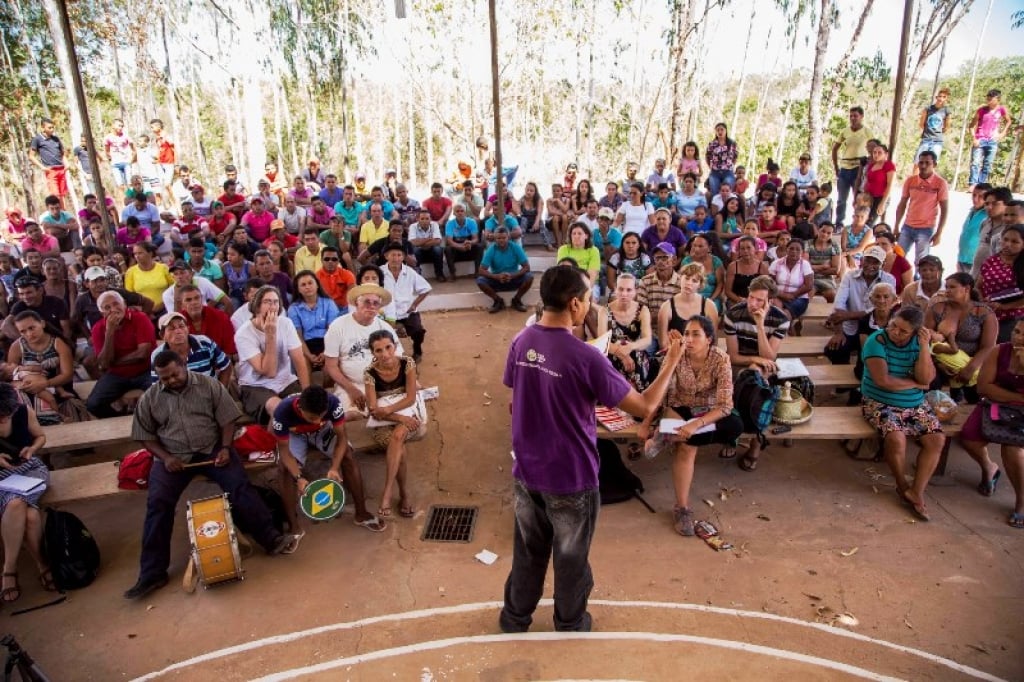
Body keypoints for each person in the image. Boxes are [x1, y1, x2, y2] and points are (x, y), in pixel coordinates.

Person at [499, 266, 684, 634]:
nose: (591, 304)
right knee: (570, 558)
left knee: (528, 552)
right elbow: (645, 407)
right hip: (570, 475)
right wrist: (672, 362)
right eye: (588, 298)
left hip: (527, 471)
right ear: (574, 304)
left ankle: (514, 618)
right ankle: (570, 622)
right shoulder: (585, 357)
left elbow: (515, 394)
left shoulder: (521, 341)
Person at [124, 351, 301, 599]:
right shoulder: (151, 397)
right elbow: (144, 435)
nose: (171, 380)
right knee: (158, 504)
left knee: (239, 488)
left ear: (184, 365)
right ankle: (152, 574)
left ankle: (271, 540)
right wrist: (166, 458)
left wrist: (227, 448)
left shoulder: (208, 385)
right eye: (165, 378)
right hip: (174, 458)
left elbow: (228, 420)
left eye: (175, 374)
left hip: (213, 449)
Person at [641, 314, 744, 534]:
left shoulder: (720, 358)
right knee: (687, 447)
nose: (689, 338)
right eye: (686, 333)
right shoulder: (677, 354)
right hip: (679, 407)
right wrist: (646, 424)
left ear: (709, 339)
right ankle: (682, 508)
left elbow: (725, 405)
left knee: (735, 425)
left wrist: (695, 425)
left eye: (696, 334)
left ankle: (668, 434)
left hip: (707, 411)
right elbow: (659, 391)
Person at [860, 307, 944, 521]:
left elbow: (927, 378)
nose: (895, 332)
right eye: (893, 326)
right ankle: (902, 484)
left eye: (903, 331)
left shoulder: (919, 343)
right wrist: (916, 383)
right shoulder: (876, 341)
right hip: (878, 402)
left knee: (936, 440)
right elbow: (883, 381)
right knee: (896, 439)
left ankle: (916, 491)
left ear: (915, 333)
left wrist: (925, 347)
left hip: (915, 404)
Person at [272, 385, 386, 534]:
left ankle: (361, 513)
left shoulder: (332, 402)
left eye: (321, 415)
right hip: (295, 435)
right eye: (312, 417)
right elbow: (285, 452)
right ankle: (294, 527)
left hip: (323, 430)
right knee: (284, 469)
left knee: (347, 455)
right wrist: (298, 477)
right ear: (300, 408)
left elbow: (342, 438)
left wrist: (334, 467)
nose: (317, 420)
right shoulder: (282, 411)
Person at [959, 318, 1024, 528]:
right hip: (995, 406)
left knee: (1013, 450)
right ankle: (989, 467)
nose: (1017, 337)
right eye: (1016, 331)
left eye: (1023, 334)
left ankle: (1021, 501)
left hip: (1018, 413)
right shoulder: (999, 351)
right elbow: (983, 387)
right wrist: (1017, 398)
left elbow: (993, 387)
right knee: (969, 437)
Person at [722, 275, 790, 472]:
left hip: (764, 367)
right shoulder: (733, 314)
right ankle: (733, 436)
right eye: (751, 297)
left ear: (770, 301)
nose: (753, 303)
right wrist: (755, 362)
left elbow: (769, 357)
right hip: (739, 363)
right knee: (744, 381)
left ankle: (755, 443)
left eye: (759, 300)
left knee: (758, 384)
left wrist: (760, 326)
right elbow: (733, 356)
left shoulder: (780, 319)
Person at [364, 330, 425, 519]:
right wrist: (399, 418)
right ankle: (404, 494)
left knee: (398, 437)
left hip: (409, 414)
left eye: (388, 347)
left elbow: (410, 398)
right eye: (378, 350)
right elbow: (374, 410)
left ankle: (388, 492)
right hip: (385, 422)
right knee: (399, 449)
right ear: (373, 353)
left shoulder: (408, 363)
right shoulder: (370, 373)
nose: (385, 354)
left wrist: (390, 410)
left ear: (395, 346)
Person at [0, 383, 52, 604]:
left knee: (15, 504)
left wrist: (31, 449)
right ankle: (42, 564)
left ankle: (8, 571)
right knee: (28, 514)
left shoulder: (23, 411)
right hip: (1, 475)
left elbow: (40, 437)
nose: (3, 419)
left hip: (30, 469)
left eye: (6, 415)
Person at [324, 283, 400, 417]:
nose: (371, 306)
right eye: (366, 302)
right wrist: (351, 390)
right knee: (349, 416)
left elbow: (399, 359)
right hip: (350, 384)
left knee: (388, 413)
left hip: (382, 384)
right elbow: (331, 366)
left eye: (376, 303)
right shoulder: (338, 327)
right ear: (356, 303)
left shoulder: (385, 328)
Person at [236, 285, 309, 421]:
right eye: (267, 302)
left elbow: (299, 359)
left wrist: (306, 392)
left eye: (275, 302)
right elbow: (269, 372)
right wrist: (270, 335)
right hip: (255, 386)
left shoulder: (286, 324)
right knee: (280, 409)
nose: (272, 306)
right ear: (257, 307)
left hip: (286, 382)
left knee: (307, 408)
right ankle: (277, 442)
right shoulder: (243, 334)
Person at [925, 272, 997, 403]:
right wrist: (939, 364)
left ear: (967, 289)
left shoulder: (984, 312)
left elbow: (988, 347)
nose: (947, 291)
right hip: (940, 361)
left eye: (952, 287)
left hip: (972, 363)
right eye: (946, 287)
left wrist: (969, 369)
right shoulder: (937, 309)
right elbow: (924, 340)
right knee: (930, 381)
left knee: (975, 396)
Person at [88, 291, 156, 418]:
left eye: (116, 304)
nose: (113, 309)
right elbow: (103, 363)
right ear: (102, 313)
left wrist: (114, 362)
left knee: (161, 395)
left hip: (145, 370)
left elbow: (142, 353)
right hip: (116, 375)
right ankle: (120, 419)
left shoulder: (140, 318)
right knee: (93, 404)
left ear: (124, 304)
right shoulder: (98, 328)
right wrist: (109, 332)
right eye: (107, 307)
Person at [825, 246, 895, 366]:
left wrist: (848, 315)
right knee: (835, 349)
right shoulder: (849, 276)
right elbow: (838, 305)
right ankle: (843, 384)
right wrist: (838, 333)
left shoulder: (888, 279)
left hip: (874, 328)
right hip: (849, 327)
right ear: (862, 260)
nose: (870, 265)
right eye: (868, 260)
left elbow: (881, 307)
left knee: (870, 355)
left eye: (876, 262)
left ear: (882, 264)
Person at [597, 273, 656, 390]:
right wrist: (622, 354)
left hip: (634, 351)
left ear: (635, 291)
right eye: (621, 289)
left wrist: (630, 347)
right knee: (607, 362)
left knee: (637, 357)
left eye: (629, 290)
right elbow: (602, 342)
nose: (624, 294)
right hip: (612, 353)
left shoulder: (642, 310)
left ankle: (637, 401)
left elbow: (647, 339)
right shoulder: (604, 311)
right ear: (615, 289)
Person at [892, 151, 948, 266]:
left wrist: (939, 233)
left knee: (921, 262)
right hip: (907, 226)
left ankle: (919, 282)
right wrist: (896, 226)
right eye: (921, 162)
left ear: (935, 164)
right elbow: (902, 204)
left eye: (927, 163)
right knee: (897, 257)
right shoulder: (910, 181)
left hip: (926, 229)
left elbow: (945, 209)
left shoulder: (940, 183)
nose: (923, 166)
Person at [151, 312, 232, 387]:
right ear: (162, 335)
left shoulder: (204, 343)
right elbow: (158, 386)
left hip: (209, 394)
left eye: (181, 326)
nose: (178, 331)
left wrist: (220, 392)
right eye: (171, 329)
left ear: (188, 329)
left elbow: (226, 366)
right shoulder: (158, 355)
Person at [381, 243, 431, 362]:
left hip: (407, 311)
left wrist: (414, 304)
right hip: (386, 313)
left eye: (399, 255)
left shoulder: (410, 272)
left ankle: (417, 349)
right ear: (386, 256)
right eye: (393, 255)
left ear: (403, 257)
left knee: (418, 331)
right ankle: (387, 357)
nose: (396, 258)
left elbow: (426, 289)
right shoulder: (379, 272)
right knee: (381, 335)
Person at [288, 270, 340, 378]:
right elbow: (298, 336)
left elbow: (332, 331)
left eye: (310, 283)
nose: (307, 287)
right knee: (303, 365)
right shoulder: (293, 308)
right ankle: (307, 393)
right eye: (303, 284)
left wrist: (325, 352)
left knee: (329, 369)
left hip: (327, 342)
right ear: (298, 290)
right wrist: (309, 356)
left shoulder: (329, 303)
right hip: (305, 345)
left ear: (317, 285)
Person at [978, 225, 1024, 343]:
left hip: (1014, 318)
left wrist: (1003, 307)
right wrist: (983, 301)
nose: (1008, 244)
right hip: (987, 313)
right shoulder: (991, 261)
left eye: (1015, 242)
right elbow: (978, 286)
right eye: (1005, 239)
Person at [658, 261, 719, 348]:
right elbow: (663, 344)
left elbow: (714, 341)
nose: (689, 283)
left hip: (701, 354)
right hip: (675, 353)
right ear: (680, 278)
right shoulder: (666, 307)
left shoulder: (710, 306)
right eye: (686, 278)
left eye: (694, 281)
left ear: (700, 285)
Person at [831, 106, 871, 229]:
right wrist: (836, 167)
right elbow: (835, 148)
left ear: (861, 117)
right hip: (844, 168)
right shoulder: (845, 131)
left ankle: (858, 222)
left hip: (858, 168)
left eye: (856, 116)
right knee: (842, 199)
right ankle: (839, 223)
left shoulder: (866, 132)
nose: (853, 118)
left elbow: (874, 147)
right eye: (851, 116)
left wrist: (869, 163)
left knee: (858, 198)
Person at [477, 227, 532, 313]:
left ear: (508, 237)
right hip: (497, 280)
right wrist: (496, 276)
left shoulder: (515, 247)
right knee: (480, 281)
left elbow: (527, 267)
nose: (501, 240)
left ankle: (516, 300)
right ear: (495, 239)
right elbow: (481, 270)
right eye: (498, 238)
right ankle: (498, 301)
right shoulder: (491, 249)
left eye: (504, 238)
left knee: (529, 277)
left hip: (514, 278)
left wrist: (512, 275)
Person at [968, 89, 1012, 186]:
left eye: (991, 98)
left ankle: (981, 185)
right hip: (980, 139)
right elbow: (971, 126)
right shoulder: (981, 110)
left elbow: (1008, 121)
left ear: (997, 99)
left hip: (992, 140)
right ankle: (972, 184)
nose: (988, 100)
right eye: (987, 98)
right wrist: (974, 138)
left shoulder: (1001, 109)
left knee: (987, 164)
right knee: (975, 163)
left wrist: (1003, 133)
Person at [768, 239, 814, 322]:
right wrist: (780, 294)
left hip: (799, 297)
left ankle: (785, 330)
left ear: (802, 252)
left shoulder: (805, 264)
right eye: (791, 248)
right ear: (787, 249)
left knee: (785, 314)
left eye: (798, 249)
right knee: (776, 310)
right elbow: (769, 282)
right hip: (778, 295)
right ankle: (789, 329)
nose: (794, 251)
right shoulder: (776, 263)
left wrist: (793, 295)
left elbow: (809, 285)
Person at [28, 118, 68, 204]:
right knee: (55, 195)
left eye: (53, 127)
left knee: (62, 194)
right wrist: (42, 167)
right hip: (51, 170)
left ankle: (64, 214)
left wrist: (66, 164)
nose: (52, 129)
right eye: (49, 128)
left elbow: (62, 153)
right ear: (43, 127)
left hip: (61, 169)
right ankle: (58, 214)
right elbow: (31, 156)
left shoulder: (56, 139)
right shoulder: (37, 139)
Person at [443, 204, 482, 280]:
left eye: (462, 211)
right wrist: (460, 246)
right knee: (448, 249)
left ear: (465, 212)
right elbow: (450, 241)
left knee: (479, 246)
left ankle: (478, 272)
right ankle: (452, 273)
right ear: (454, 213)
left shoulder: (472, 222)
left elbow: (476, 239)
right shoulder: (449, 223)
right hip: (456, 249)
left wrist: (470, 243)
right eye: (457, 211)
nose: (460, 213)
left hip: (469, 247)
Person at [958, 184, 991, 273]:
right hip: (962, 257)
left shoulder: (988, 215)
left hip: (975, 261)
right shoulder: (971, 211)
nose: (975, 199)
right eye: (974, 195)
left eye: (981, 196)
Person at [863, 143, 896, 225]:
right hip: (869, 197)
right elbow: (867, 181)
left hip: (881, 198)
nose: (876, 154)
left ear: (886, 154)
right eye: (874, 152)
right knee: (863, 219)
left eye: (879, 152)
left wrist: (883, 203)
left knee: (870, 222)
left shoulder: (889, 165)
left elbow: (890, 185)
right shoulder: (871, 165)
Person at [916, 87, 951, 162]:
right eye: (940, 96)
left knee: (932, 162)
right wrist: (928, 131)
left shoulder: (946, 111)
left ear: (946, 99)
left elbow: (946, 126)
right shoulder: (928, 109)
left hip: (937, 140)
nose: (941, 99)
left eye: (944, 97)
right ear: (936, 97)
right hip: (926, 138)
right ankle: (915, 174)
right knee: (919, 161)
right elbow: (921, 123)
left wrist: (938, 132)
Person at [409, 209, 445, 282]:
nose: (425, 221)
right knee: (415, 250)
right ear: (418, 219)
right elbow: (412, 242)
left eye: (427, 219)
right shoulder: (413, 226)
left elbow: (438, 241)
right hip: (419, 251)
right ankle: (417, 275)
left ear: (430, 219)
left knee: (438, 249)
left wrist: (420, 242)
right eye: (422, 219)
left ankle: (439, 274)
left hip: (431, 250)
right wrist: (428, 239)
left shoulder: (434, 225)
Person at [705, 122, 739, 197]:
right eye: (718, 130)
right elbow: (707, 156)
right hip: (715, 172)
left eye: (722, 129)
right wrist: (710, 167)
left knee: (727, 192)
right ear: (715, 132)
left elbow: (735, 156)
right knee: (715, 194)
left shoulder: (732, 143)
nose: (720, 132)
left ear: (726, 131)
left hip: (728, 171)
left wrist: (731, 165)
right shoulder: (712, 144)